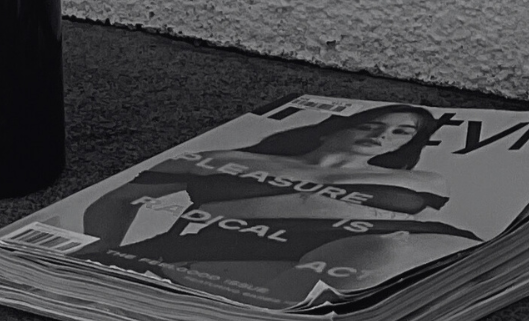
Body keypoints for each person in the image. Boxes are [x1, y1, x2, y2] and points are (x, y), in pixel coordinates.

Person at [75, 105, 481, 306]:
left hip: (374, 240)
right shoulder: (221, 159)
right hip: (242, 242)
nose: (381, 136)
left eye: (399, 133)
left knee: (386, 252)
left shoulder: (420, 180)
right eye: (371, 125)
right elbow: (119, 199)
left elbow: (418, 223)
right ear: (339, 124)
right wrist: (100, 244)